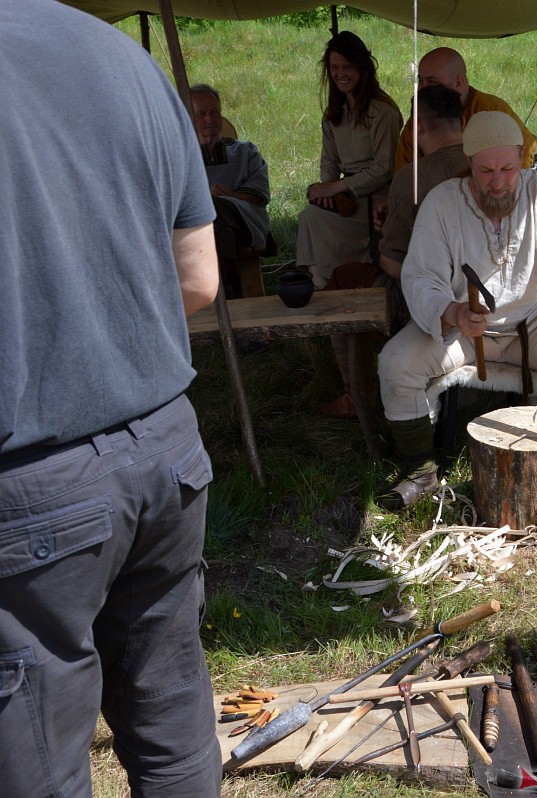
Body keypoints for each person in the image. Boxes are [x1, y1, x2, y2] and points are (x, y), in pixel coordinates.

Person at [0, 0, 221, 795]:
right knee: (171, 723)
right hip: (165, 449)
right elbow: (199, 278)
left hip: (29, 485)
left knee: (39, 764)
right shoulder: (120, 54)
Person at [376, 112, 537, 510]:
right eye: (485, 169)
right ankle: (421, 471)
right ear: (469, 163)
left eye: (507, 168)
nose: (497, 180)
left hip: (532, 325)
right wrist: (452, 311)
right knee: (396, 362)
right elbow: (421, 276)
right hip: (464, 333)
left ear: (522, 160)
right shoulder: (443, 203)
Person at [320, 84, 471, 419]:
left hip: (439, 301)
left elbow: (392, 263)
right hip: (486, 294)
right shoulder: (489, 165)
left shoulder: (414, 177)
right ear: (461, 121)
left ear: (417, 126)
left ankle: (355, 396)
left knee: (343, 279)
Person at [295, 31, 401, 288]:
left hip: (377, 197)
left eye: (347, 67)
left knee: (313, 219)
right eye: (334, 67)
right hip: (348, 196)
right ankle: (321, 282)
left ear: (362, 69)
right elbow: (329, 160)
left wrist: (339, 187)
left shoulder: (382, 111)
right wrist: (328, 192)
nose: (340, 74)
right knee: (311, 214)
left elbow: (384, 168)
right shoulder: (334, 112)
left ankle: (330, 282)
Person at [394, 47, 537, 171]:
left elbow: (525, 154)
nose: (422, 89)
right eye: (420, 81)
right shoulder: (421, 118)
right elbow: (404, 168)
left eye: (432, 82)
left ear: (459, 82)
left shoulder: (492, 110)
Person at [190, 83, 271, 299]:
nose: (209, 118)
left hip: (245, 223)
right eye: (201, 114)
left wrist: (229, 197)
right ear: (188, 117)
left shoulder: (245, 151)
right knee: (217, 227)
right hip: (200, 230)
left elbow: (260, 194)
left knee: (216, 211)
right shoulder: (181, 159)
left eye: (214, 112)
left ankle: (223, 299)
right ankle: (232, 294)